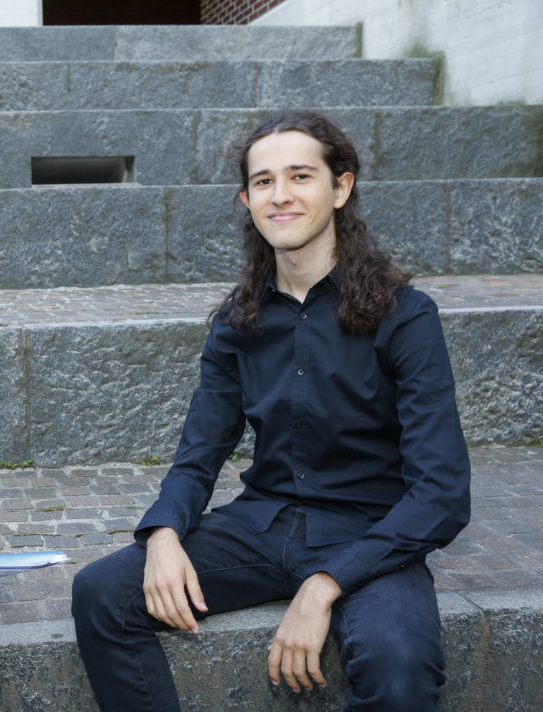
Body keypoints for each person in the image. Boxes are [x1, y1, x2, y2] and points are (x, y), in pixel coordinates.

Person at [71, 110, 471, 711]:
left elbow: (442, 493)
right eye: (263, 181)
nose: (280, 195)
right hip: (261, 528)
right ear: (247, 200)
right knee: (101, 592)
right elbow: (198, 455)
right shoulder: (237, 323)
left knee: (398, 664)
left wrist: (326, 584)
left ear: (341, 188)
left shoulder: (406, 316)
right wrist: (163, 533)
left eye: (300, 176)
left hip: (371, 534)